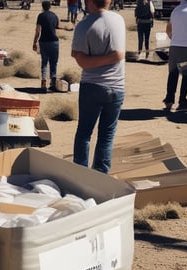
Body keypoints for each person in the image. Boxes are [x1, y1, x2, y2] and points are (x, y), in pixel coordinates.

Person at [71, 0, 126, 174]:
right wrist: (113, 57)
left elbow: (81, 60)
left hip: (92, 85)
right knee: (107, 135)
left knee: (84, 134)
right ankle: (101, 175)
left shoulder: (84, 25)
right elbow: (79, 55)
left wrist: (110, 58)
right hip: (116, 86)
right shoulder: (118, 20)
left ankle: (80, 175)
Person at [33, 0, 59, 92]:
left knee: (44, 63)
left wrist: (34, 42)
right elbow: (56, 27)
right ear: (50, 6)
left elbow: (37, 31)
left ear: (42, 7)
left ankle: (43, 83)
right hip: (54, 41)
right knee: (54, 62)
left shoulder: (40, 16)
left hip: (43, 41)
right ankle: (53, 83)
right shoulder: (54, 15)